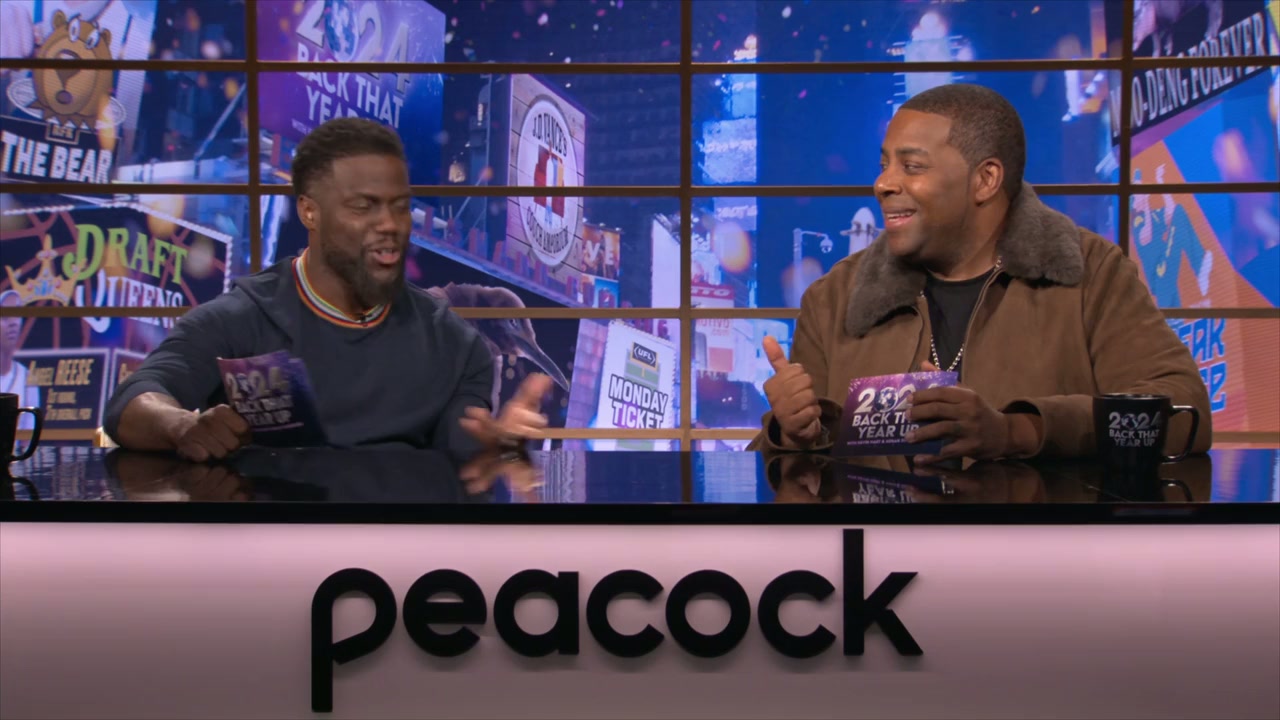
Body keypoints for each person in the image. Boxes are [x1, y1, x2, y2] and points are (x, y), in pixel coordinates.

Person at [754, 84, 1211, 465]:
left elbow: (1183, 413)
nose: (883, 184)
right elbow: (783, 488)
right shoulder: (834, 298)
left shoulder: (1090, 276)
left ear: (986, 179)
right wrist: (792, 435)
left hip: (1037, 548)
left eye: (911, 166)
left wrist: (1017, 431)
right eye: (884, 165)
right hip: (879, 549)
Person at [104, 117, 549, 462]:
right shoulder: (242, 317)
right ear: (310, 212)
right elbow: (133, 402)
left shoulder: (456, 345)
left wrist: (497, 447)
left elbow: (461, 451)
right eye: (363, 206)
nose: (389, 225)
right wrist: (181, 426)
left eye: (399, 207)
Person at [1, 290, 42, 430]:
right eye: (5, 316)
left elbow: (29, 434)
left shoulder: (26, 377)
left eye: (17, 315)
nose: (13, 323)